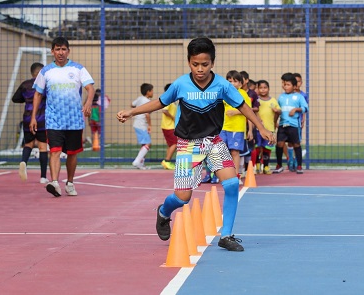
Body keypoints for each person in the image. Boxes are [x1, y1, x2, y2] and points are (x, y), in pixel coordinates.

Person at [117, 37, 275, 251]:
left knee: (230, 184)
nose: (200, 69)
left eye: (205, 64)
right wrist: (132, 111)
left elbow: (244, 106)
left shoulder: (222, 85)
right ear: (189, 62)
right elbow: (160, 102)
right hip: (188, 145)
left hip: (214, 142)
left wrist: (262, 127)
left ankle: (226, 235)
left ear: (213, 63)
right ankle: (163, 212)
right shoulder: (181, 84)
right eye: (195, 64)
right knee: (183, 197)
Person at [30, 36, 95, 197]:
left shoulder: (78, 69)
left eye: (63, 49)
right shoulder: (46, 71)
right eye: (57, 49)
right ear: (52, 51)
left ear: (68, 51)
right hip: (53, 120)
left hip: (74, 120)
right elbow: (38, 94)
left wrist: (88, 103)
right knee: (55, 151)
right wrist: (33, 117)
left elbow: (90, 88)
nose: (61, 52)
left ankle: (70, 183)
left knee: (72, 153)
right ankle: (54, 183)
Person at [12, 62, 48, 184]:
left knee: (28, 144)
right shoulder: (44, 84)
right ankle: (43, 177)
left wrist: (27, 99)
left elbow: (15, 98)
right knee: (42, 146)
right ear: (39, 73)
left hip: (27, 119)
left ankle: (24, 162)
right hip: (41, 119)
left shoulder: (25, 85)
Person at [220, 70, 253, 184]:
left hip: (236, 129)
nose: (232, 83)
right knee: (221, 151)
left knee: (235, 152)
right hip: (223, 127)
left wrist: (235, 112)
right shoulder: (224, 94)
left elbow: (249, 111)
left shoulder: (243, 94)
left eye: (235, 81)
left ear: (240, 83)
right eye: (230, 81)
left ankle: (236, 176)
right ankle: (224, 174)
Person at [273, 73, 308, 174]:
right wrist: (275, 118)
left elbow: (305, 108)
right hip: (282, 125)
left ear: (294, 86)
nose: (285, 86)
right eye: (284, 84)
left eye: (288, 84)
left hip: (294, 125)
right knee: (279, 144)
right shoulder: (281, 97)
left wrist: (296, 109)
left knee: (296, 144)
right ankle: (279, 165)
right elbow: (279, 110)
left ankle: (299, 166)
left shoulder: (299, 97)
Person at [285, 72, 309, 171]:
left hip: (297, 121)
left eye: (299, 81)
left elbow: (304, 108)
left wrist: (303, 119)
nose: (297, 83)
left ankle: (296, 161)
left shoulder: (303, 95)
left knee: (296, 142)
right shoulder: (287, 94)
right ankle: (290, 159)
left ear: (301, 82)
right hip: (287, 121)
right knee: (289, 142)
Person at [256, 80, 280, 175]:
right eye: (260, 88)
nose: (263, 90)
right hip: (258, 129)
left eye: (265, 87)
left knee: (267, 148)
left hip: (269, 128)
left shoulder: (273, 100)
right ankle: (257, 165)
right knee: (258, 147)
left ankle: (266, 165)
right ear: (257, 89)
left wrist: (277, 110)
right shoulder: (257, 100)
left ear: (268, 89)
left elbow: (279, 111)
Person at [131, 83, 154, 170]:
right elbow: (147, 114)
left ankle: (140, 163)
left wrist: (136, 109)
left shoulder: (140, 99)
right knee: (148, 143)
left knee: (144, 144)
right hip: (142, 124)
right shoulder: (147, 101)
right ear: (148, 92)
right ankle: (137, 161)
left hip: (137, 123)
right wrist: (150, 125)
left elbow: (132, 104)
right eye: (152, 91)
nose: (152, 92)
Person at [160, 83, 177, 170]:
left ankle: (167, 163)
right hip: (169, 126)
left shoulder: (171, 101)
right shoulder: (168, 100)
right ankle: (167, 160)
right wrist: (173, 117)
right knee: (175, 143)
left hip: (168, 126)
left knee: (171, 144)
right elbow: (164, 110)